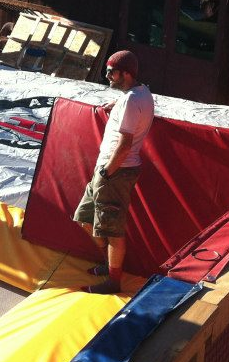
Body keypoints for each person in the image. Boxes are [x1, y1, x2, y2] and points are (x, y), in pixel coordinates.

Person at [73, 49, 154, 294]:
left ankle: (113, 281)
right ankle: (110, 266)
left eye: (111, 72)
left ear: (126, 74)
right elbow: (131, 109)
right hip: (109, 169)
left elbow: (126, 143)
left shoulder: (131, 100)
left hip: (115, 172)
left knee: (112, 229)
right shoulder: (139, 93)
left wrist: (108, 172)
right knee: (84, 218)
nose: (107, 76)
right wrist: (115, 105)